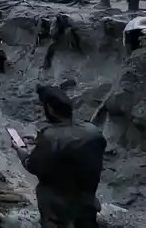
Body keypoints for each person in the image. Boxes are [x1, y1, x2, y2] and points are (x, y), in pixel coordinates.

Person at [12, 84, 105, 228]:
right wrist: (40, 142)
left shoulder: (50, 138)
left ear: (49, 108)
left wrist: (20, 150)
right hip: (87, 202)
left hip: (58, 208)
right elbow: (71, 146)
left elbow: (32, 165)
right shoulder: (93, 132)